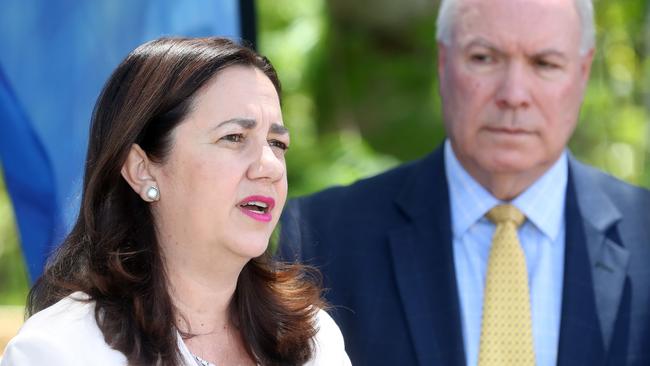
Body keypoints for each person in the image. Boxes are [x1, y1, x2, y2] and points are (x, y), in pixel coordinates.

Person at [279, 0, 650, 365]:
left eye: (544, 63)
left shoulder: (643, 233)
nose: (513, 95)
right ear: (443, 63)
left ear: (583, 73)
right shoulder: (321, 236)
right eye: (484, 58)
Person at [1, 37, 351, 366]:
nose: (270, 167)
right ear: (142, 170)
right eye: (233, 137)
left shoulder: (314, 339)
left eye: (277, 144)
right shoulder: (60, 351)